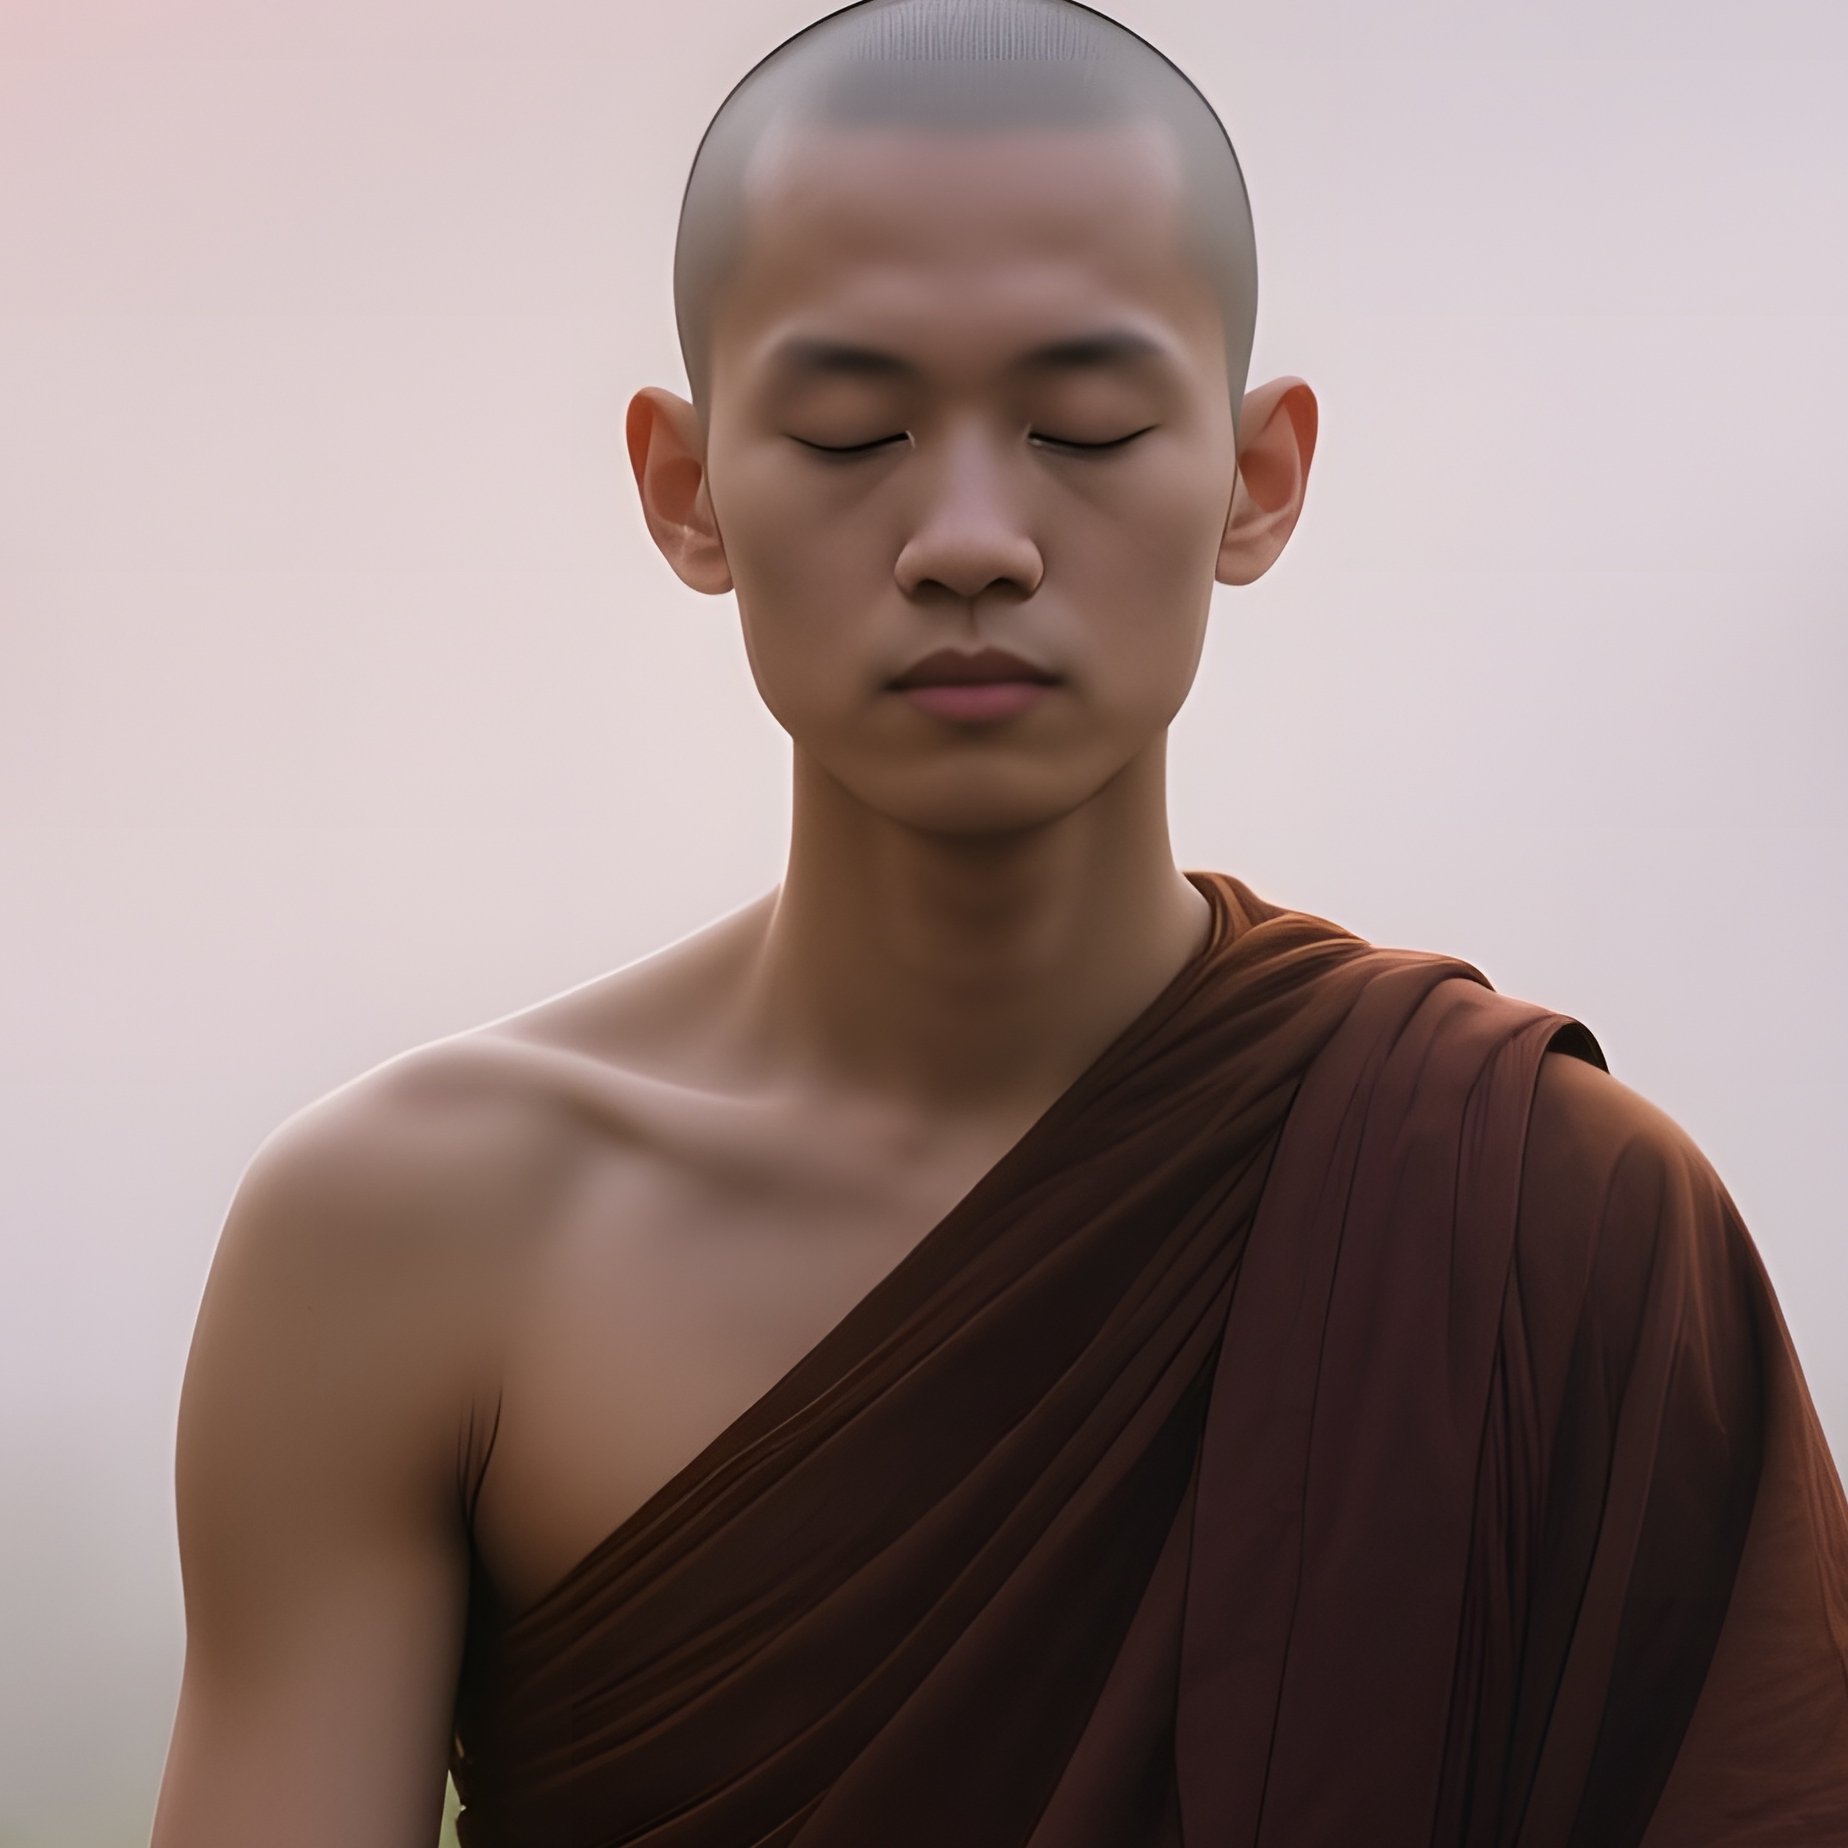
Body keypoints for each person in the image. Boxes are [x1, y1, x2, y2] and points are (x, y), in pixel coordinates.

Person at [150, 2, 1848, 1844]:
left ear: (1258, 480)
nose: (969, 537)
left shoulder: (1547, 1224)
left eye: (1088, 427)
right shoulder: (405, 1247)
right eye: (852, 430)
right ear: (687, 490)